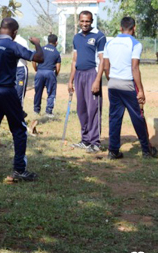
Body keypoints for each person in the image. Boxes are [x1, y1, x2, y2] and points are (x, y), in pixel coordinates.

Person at [0, 18, 43, 183]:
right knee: (19, 129)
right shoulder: (13, 45)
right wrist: (37, 44)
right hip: (7, 92)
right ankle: (19, 169)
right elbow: (39, 58)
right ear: (15, 32)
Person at [102, 17, 158, 159]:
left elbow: (106, 67)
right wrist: (141, 91)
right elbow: (134, 67)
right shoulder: (135, 44)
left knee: (114, 118)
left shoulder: (110, 43)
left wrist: (113, 80)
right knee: (138, 117)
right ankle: (147, 150)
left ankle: (113, 151)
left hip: (113, 84)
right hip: (128, 85)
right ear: (134, 28)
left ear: (120, 28)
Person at [68, 11, 106, 152]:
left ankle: (95, 142)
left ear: (92, 21)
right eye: (82, 21)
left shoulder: (99, 36)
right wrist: (70, 80)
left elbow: (102, 61)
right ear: (79, 21)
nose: (85, 24)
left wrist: (97, 80)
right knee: (82, 109)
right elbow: (74, 60)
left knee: (93, 108)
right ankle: (85, 140)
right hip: (79, 75)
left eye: (87, 21)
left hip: (92, 74)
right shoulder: (76, 37)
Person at [32, 34, 62, 115]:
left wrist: (36, 69)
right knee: (51, 93)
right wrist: (55, 74)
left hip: (40, 72)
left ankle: (36, 110)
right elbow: (58, 67)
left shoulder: (41, 49)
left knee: (38, 92)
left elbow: (33, 60)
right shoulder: (56, 52)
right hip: (50, 72)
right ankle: (48, 112)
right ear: (56, 42)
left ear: (48, 41)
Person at [14, 34, 30, 109]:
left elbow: (27, 55)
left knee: (19, 92)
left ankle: (19, 113)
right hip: (9, 69)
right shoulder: (5, 40)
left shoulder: (21, 41)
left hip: (20, 68)